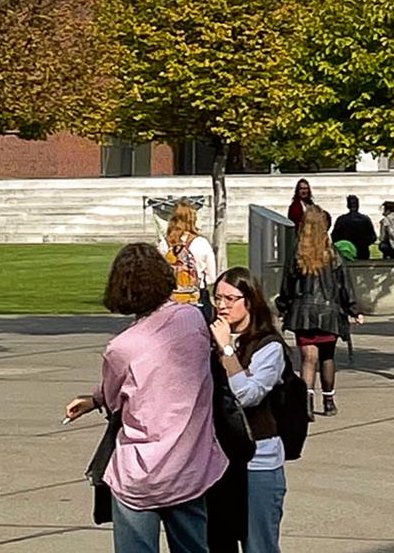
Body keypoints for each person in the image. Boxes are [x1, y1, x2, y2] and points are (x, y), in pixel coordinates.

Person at [67, 243, 228, 553]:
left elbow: (117, 400)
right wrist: (95, 399)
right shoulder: (193, 319)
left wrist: (98, 398)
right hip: (188, 461)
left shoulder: (122, 347)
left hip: (140, 472)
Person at [211, 267, 290, 552]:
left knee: (259, 545)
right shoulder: (211, 338)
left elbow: (248, 394)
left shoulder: (268, 346)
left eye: (231, 299)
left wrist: (227, 351)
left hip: (258, 460)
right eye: (217, 298)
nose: (222, 306)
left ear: (250, 300)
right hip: (217, 461)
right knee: (218, 542)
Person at [275, 211, 362, 419]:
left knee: (308, 358)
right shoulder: (333, 254)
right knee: (327, 356)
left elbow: (287, 285)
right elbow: (345, 285)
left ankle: (306, 404)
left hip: (302, 313)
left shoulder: (297, 254)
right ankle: (329, 402)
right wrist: (354, 309)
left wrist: (282, 305)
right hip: (329, 312)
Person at [166, 203, 218, 309]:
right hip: (195, 299)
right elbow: (212, 277)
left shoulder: (164, 244)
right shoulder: (202, 243)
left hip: (170, 300)